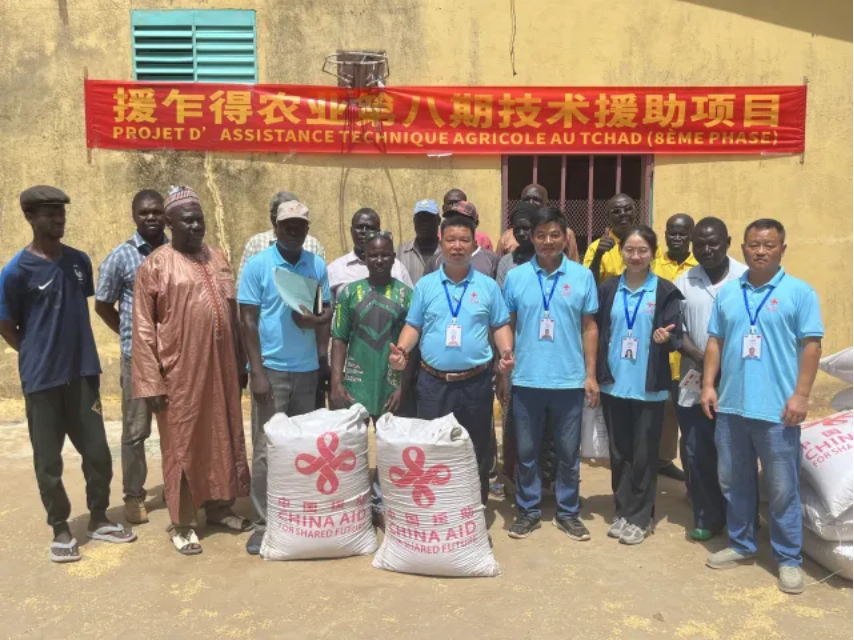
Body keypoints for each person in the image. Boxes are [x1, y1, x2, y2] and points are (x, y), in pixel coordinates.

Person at [0, 185, 136, 564]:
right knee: (48, 460)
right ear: (29, 217)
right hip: (42, 380)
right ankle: (60, 527)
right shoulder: (15, 272)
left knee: (97, 453)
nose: (57, 219)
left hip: (83, 375)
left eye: (61, 212)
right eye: (48, 213)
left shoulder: (78, 262)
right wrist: (34, 354)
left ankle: (98, 518)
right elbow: (7, 325)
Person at [702, 219, 824, 595]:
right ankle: (741, 543)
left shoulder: (800, 293)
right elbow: (715, 342)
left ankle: (788, 557)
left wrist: (801, 395)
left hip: (777, 411)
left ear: (782, 249)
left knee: (782, 486)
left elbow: (811, 346)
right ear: (742, 248)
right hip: (733, 407)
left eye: (769, 245)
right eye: (754, 244)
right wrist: (708, 384)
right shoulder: (728, 294)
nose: (760, 251)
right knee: (733, 479)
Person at [133, 186, 252, 556]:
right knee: (183, 445)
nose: (197, 225)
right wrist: (151, 381)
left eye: (200, 219)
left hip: (223, 369)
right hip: (179, 374)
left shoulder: (217, 257)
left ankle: (219, 507)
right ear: (170, 223)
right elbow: (142, 328)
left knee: (223, 435)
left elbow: (234, 315)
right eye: (188, 220)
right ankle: (183, 523)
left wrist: (241, 361)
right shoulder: (156, 264)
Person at [390, 214, 515, 505]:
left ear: (474, 245)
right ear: (441, 243)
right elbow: (414, 325)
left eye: (464, 240)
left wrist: (507, 356)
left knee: (478, 450)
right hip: (433, 384)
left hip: (476, 383)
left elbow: (499, 325)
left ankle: (474, 509)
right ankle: (439, 509)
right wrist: (402, 351)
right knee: (434, 448)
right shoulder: (426, 286)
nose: (457, 246)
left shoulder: (487, 287)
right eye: (450, 240)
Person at [238, 200, 333, 556]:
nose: (294, 232)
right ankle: (264, 523)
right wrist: (257, 372)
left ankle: (297, 516)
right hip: (272, 371)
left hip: (307, 371)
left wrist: (317, 323)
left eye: (300, 227)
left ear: (307, 230)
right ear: (275, 229)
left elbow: (326, 312)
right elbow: (246, 320)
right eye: (287, 226)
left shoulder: (316, 265)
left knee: (303, 447)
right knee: (266, 449)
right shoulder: (259, 266)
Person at [501, 207, 600, 541]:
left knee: (568, 453)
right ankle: (528, 510)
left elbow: (589, 327)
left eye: (554, 234)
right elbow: (508, 326)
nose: (547, 241)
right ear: (530, 237)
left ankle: (568, 512)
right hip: (526, 379)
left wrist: (590, 375)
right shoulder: (515, 277)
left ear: (565, 237)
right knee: (526, 452)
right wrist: (504, 370)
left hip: (569, 380)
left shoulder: (582, 276)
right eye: (540, 234)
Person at [595, 226, 683, 546]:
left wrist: (667, 338)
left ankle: (641, 518)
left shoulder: (665, 291)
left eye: (642, 250)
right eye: (629, 250)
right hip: (614, 385)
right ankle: (623, 510)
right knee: (619, 453)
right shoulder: (608, 290)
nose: (635, 256)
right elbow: (598, 332)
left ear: (653, 253)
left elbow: (677, 336)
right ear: (622, 253)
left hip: (649, 387)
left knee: (644, 453)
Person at [94, 189, 168, 526]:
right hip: (136, 360)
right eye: (144, 213)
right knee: (136, 432)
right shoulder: (120, 257)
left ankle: (176, 488)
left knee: (174, 429)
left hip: (173, 359)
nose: (151, 217)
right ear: (134, 216)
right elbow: (103, 304)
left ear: (165, 214)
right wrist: (131, 335)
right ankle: (134, 496)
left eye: (156, 211)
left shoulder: (175, 252)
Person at [674, 218, 748, 542]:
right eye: (699, 244)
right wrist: (707, 360)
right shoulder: (684, 280)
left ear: (728, 241)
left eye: (713, 242)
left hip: (738, 378)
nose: (706, 249)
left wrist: (723, 364)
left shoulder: (745, 277)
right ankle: (707, 516)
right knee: (697, 448)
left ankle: (741, 519)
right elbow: (678, 329)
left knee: (737, 452)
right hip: (694, 375)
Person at [331, 231, 415, 419]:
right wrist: (336, 382)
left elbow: (413, 347)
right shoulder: (349, 293)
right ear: (365, 258)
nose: (379, 260)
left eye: (385, 254)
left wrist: (403, 387)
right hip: (356, 384)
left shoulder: (407, 295)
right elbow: (339, 338)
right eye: (373, 255)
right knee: (352, 445)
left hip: (392, 384)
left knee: (390, 445)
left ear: (393, 258)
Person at [653, 214, 698, 483]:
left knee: (689, 421)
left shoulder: (700, 268)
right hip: (659, 353)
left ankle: (694, 480)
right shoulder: (654, 265)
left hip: (690, 357)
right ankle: (660, 460)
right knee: (663, 413)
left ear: (691, 235)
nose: (677, 237)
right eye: (672, 232)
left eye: (683, 233)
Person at [237, 191, 326, 283]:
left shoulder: (313, 244)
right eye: (286, 222)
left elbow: (322, 288)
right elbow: (243, 285)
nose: (293, 232)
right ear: (274, 220)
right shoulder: (256, 243)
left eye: (297, 222)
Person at [327, 207, 413, 304]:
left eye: (370, 228)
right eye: (359, 227)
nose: (364, 231)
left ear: (378, 232)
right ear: (351, 230)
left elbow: (412, 303)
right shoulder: (335, 269)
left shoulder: (397, 268)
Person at [585, 193, 660, 285]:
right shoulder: (596, 247)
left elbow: (656, 279)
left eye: (628, 209)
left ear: (635, 212)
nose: (623, 214)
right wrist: (598, 256)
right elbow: (588, 283)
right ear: (608, 217)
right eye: (616, 211)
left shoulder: (649, 244)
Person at [498, 185, 580, 262]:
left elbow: (573, 266)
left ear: (547, 204)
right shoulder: (508, 237)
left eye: (536, 199)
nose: (530, 203)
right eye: (526, 200)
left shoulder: (565, 234)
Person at [428, 200, 501, 279]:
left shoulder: (491, 260)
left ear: (476, 224)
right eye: (452, 218)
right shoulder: (435, 260)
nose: (457, 223)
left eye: (462, 219)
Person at [397, 199, 441, 285]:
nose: (423, 223)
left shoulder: (447, 253)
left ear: (438, 221)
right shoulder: (401, 254)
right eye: (420, 218)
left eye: (428, 218)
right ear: (414, 221)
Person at [496, 203, 538, 290]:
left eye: (526, 228)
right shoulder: (506, 261)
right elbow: (501, 295)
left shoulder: (546, 260)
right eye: (517, 229)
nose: (521, 233)